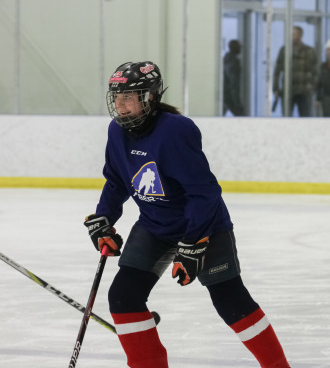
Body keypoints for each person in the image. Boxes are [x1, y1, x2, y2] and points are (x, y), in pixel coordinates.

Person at [84, 61, 290, 368]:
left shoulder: (175, 131)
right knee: (123, 297)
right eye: (116, 97)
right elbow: (116, 180)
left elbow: (204, 192)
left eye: (128, 97)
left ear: (149, 97)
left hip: (203, 224)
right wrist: (104, 219)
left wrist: (194, 242)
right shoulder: (117, 132)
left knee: (229, 299)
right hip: (154, 226)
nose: (120, 105)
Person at [273, 26, 318, 117]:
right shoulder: (284, 50)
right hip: (288, 90)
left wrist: (312, 87)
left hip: (304, 91)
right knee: (286, 117)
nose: (291, 36)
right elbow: (277, 71)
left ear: (300, 36)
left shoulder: (309, 51)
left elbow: (315, 72)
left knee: (305, 117)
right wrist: (275, 88)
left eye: (293, 34)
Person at [223, 39, 245, 116]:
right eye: (239, 47)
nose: (240, 49)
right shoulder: (234, 62)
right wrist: (237, 102)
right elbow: (233, 83)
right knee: (242, 117)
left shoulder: (226, 58)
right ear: (235, 48)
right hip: (229, 97)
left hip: (225, 95)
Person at [316, 39, 330, 117]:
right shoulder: (323, 66)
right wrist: (318, 98)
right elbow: (319, 83)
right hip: (326, 98)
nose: (329, 52)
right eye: (327, 50)